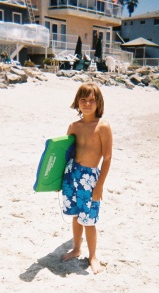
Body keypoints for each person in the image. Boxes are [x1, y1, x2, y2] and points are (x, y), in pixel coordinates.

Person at [61, 82, 113, 274]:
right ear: (77, 102)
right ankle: (76, 248)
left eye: (92, 100)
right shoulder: (74, 126)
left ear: (99, 103)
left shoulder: (103, 127)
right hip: (71, 174)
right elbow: (64, 154)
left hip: (90, 178)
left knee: (89, 220)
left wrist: (99, 186)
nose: (87, 104)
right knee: (75, 215)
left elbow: (107, 158)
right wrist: (60, 179)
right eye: (83, 100)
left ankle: (92, 256)